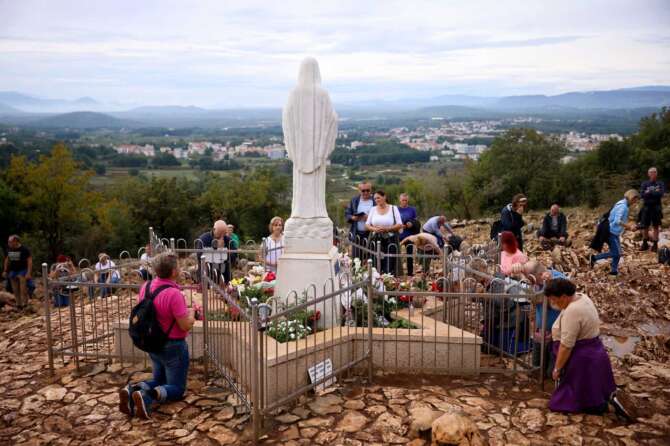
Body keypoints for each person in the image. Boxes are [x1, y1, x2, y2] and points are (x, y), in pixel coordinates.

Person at [119, 252, 198, 419]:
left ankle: (132, 390)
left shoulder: (145, 287)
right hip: (173, 347)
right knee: (176, 388)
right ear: (174, 272)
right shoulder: (174, 294)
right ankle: (147, 396)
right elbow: (184, 325)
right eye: (178, 267)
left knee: (159, 380)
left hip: (152, 343)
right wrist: (192, 314)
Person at [544, 278, 631, 418]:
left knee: (569, 396)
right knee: (592, 385)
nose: (553, 303)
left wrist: (557, 368)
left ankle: (598, 407)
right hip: (594, 350)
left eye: (555, 299)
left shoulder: (573, 310)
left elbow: (566, 345)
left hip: (581, 356)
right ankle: (603, 401)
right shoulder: (582, 297)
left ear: (564, 296)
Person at [522, 260, 564, 375]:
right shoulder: (536, 283)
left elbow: (562, 306)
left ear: (539, 275)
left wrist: (550, 285)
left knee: (551, 370)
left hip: (556, 332)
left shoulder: (559, 280)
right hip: (540, 330)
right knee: (536, 367)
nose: (529, 281)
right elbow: (535, 302)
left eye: (530, 278)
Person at [590, 190, 640, 276]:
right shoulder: (623, 207)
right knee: (616, 253)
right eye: (636, 199)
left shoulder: (621, 203)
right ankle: (594, 258)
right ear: (632, 198)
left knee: (618, 252)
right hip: (610, 231)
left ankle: (614, 271)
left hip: (613, 231)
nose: (636, 202)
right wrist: (629, 227)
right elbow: (617, 221)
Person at [365, 190, 403, 274]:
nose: (377, 200)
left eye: (378, 197)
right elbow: (367, 224)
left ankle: (388, 281)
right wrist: (374, 229)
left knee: (389, 262)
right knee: (376, 262)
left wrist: (387, 229)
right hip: (376, 239)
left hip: (390, 239)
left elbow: (400, 224)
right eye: (375, 199)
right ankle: (377, 281)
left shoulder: (393, 208)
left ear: (384, 197)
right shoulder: (373, 209)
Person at [197, 220, 235, 284]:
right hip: (208, 275)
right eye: (220, 233)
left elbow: (234, 256)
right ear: (214, 229)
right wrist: (217, 250)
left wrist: (224, 252)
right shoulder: (203, 239)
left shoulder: (228, 240)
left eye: (224, 233)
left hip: (224, 275)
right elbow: (200, 256)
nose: (222, 236)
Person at [639, 167, 665, 252]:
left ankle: (655, 244)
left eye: (654, 172)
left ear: (657, 174)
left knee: (656, 226)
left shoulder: (660, 183)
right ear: (648, 174)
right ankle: (645, 243)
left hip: (656, 207)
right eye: (651, 172)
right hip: (646, 207)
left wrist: (649, 192)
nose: (653, 174)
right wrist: (654, 192)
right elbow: (642, 195)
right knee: (644, 226)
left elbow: (661, 194)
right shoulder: (645, 183)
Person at [344, 182, 374, 258]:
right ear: (359, 190)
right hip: (357, 233)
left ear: (371, 190)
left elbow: (381, 215)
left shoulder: (375, 200)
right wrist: (353, 218)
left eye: (368, 190)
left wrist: (369, 218)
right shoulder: (354, 200)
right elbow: (347, 214)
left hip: (371, 234)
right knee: (357, 258)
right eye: (363, 190)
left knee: (371, 257)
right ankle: (358, 269)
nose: (366, 192)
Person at [2, 235, 32, 310]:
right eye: (8, 242)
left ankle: (25, 304)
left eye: (10, 242)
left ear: (16, 241)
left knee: (23, 289)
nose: (9, 243)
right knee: (15, 289)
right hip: (13, 270)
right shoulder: (9, 249)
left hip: (22, 270)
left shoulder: (24, 249)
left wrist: (28, 272)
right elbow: (7, 260)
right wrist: (5, 270)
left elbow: (29, 261)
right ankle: (19, 304)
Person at [398, 193, 419, 276]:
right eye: (403, 200)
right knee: (396, 253)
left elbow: (416, 222)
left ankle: (410, 273)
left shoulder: (412, 209)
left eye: (406, 200)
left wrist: (411, 223)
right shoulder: (396, 209)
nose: (404, 202)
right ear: (400, 200)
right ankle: (397, 271)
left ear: (408, 200)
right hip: (398, 234)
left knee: (409, 255)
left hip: (409, 235)